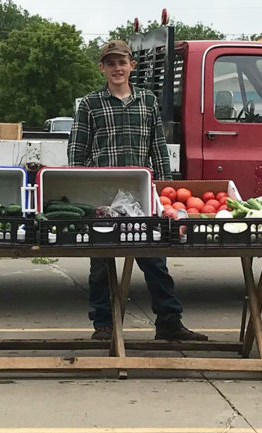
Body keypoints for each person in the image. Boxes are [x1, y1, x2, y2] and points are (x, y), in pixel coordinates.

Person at [68, 39, 208, 342]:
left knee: (155, 260)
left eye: (122, 62)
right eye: (111, 63)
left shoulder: (147, 101)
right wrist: (79, 188)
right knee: (101, 265)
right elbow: (77, 151)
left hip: (141, 194)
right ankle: (103, 325)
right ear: (102, 68)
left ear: (132, 65)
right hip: (102, 196)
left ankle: (169, 322)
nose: (117, 68)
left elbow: (158, 146)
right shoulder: (90, 104)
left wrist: (164, 188)